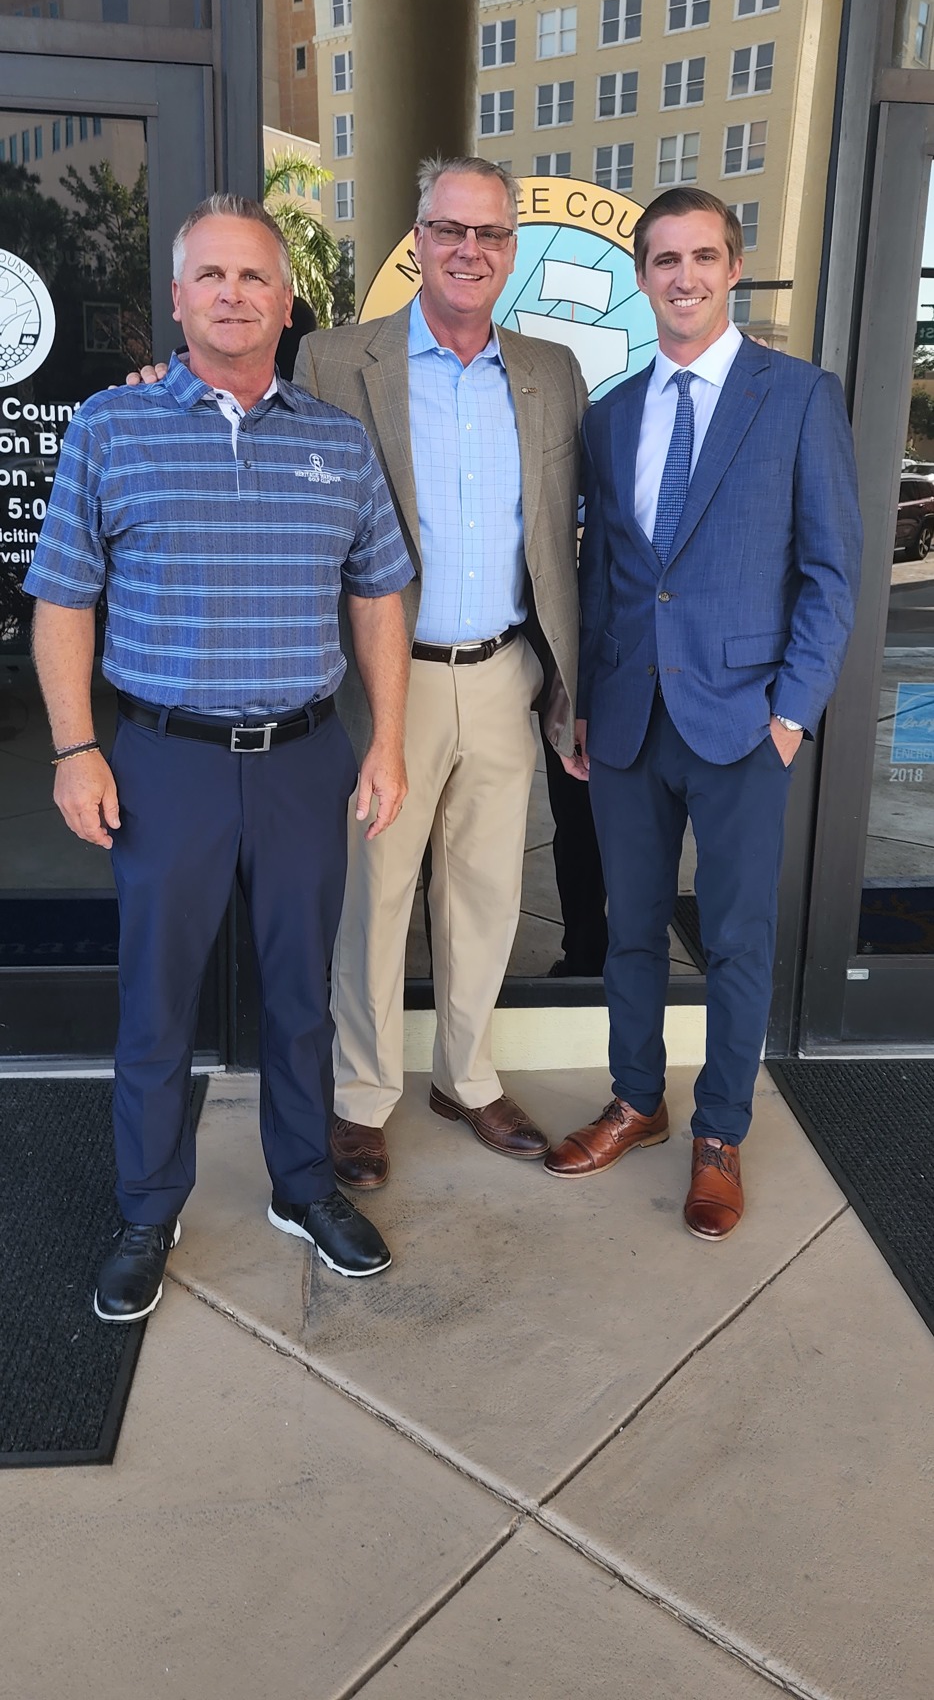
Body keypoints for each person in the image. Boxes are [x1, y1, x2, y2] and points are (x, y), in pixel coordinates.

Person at [25, 194, 414, 1321]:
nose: (234, 295)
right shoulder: (111, 427)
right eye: (212, 278)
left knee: (300, 991)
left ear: (286, 304)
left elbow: (379, 591)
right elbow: (62, 600)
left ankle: (303, 1186)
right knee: (156, 1001)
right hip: (163, 763)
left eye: (255, 278)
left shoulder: (337, 441)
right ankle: (149, 1205)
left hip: (303, 759)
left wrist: (383, 740)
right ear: (179, 300)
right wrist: (75, 746)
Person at [543, 187, 862, 1237]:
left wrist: (789, 712)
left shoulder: (799, 397)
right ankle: (637, 1100)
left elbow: (830, 573)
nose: (682, 275)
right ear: (641, 277)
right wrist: (584, 705)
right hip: (628, 722)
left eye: (702, 256)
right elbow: (602, 575)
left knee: (733, 938)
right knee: (627, 931)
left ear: (734, 267)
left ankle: (718, 1129)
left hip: (741, 723)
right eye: (664, 258)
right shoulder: (609, 414)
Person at [295, 155, 588, 1187]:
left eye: (491, 233)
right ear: (417, 237)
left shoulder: (550, 370)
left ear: (511, 249)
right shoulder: (335, 359)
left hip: (506, 671)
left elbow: (565, 540)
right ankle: (362, 1096)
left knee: (484, 892)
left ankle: (465, 1076)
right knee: (374, 895)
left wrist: (569, 682)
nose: (470, 248)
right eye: (450, 228)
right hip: (387, 681)